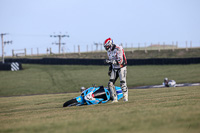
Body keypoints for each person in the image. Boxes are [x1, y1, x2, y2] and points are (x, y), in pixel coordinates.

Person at [104, 38, 128, 102]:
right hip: (114, 68)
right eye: (105, 47)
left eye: (107, 46)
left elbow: (120, 61)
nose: (106, 48)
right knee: (110, 84)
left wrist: (110, 61)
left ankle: (125, 97)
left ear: (111, 44)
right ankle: (115, 98)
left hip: (121, 67)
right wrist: (110, 69)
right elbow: (111, 62)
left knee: (122, 83)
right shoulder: (108, 51)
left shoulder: (118, 48)